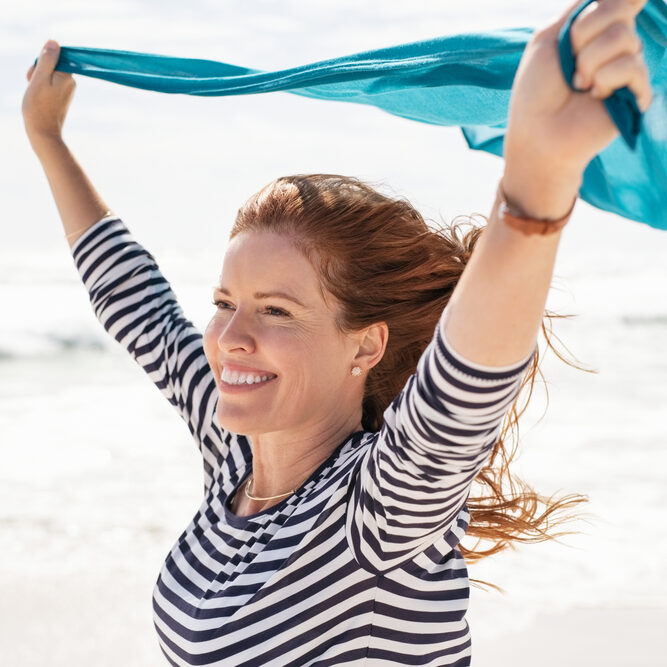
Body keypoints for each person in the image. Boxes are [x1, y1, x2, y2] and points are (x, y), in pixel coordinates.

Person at [22, 1, 653, 665]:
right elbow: (135, 303)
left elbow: (465, 381)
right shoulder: (235, 448)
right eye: (224, 301)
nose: (231, 336)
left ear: (365, 344)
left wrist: (536, 183)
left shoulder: (378, 511)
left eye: (276, 310)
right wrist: (49, 140)